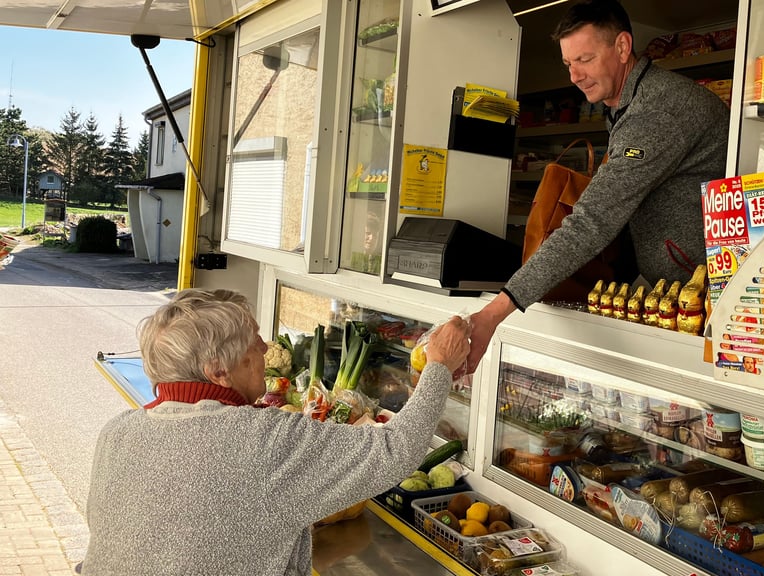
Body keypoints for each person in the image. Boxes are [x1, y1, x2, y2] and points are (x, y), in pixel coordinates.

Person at [80, 288, 470, 576]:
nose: (266, 348)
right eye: (254, 341)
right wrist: (439, 367)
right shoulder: (262, 439)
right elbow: (396, 449)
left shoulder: (117, 431)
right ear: (219, 370)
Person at [468, 0, 729, 371]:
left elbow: (591, 222)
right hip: (671, 296)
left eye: (585, 59)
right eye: (568, 64)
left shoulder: (658, 111)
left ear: (622, 47)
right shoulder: (627, 104)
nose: (574, 75)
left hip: (704, 304)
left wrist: (496, 310)